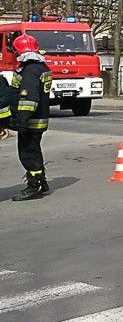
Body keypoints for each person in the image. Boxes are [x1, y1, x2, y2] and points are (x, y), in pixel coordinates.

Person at [10, 34, 52, 201]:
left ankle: (35, 186)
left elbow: (29, 98)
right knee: (33, 150)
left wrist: (22, 120)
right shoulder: (41, 67)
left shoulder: (29, 70)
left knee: (28, 153)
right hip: (40, 118)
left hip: (31, 120)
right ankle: (41, 182)